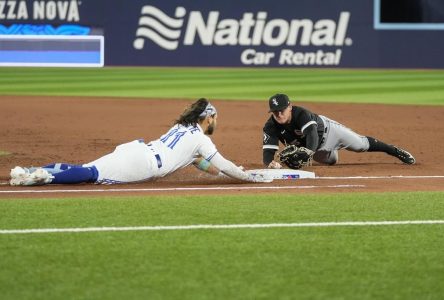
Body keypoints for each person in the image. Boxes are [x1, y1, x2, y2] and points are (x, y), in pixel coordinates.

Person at [10, 98, 272, 186]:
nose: (217, 122)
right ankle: (43, 177)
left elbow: (203, 164)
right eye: (216, 118)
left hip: (136, 149)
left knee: (87, 168)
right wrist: (246, 177)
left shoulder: (182, 128)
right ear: (209, 118)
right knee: (90, 174)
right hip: (143, 164)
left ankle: (31, 171)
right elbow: (223, 164)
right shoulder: (200, 140)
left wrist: (218, 173)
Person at [262, 93, 415, 169]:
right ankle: (330, 153)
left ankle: (394, 150)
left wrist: (307, 152)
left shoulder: (301, 114)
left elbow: (312, 135)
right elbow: (268, 152)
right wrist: (269, 164)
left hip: (331, 133)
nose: (279, 114)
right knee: (332, 162)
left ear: (289, 107)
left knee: (361, 145)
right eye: (275, 112)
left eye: (282, 110)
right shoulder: (270, 126)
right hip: (316, 149)